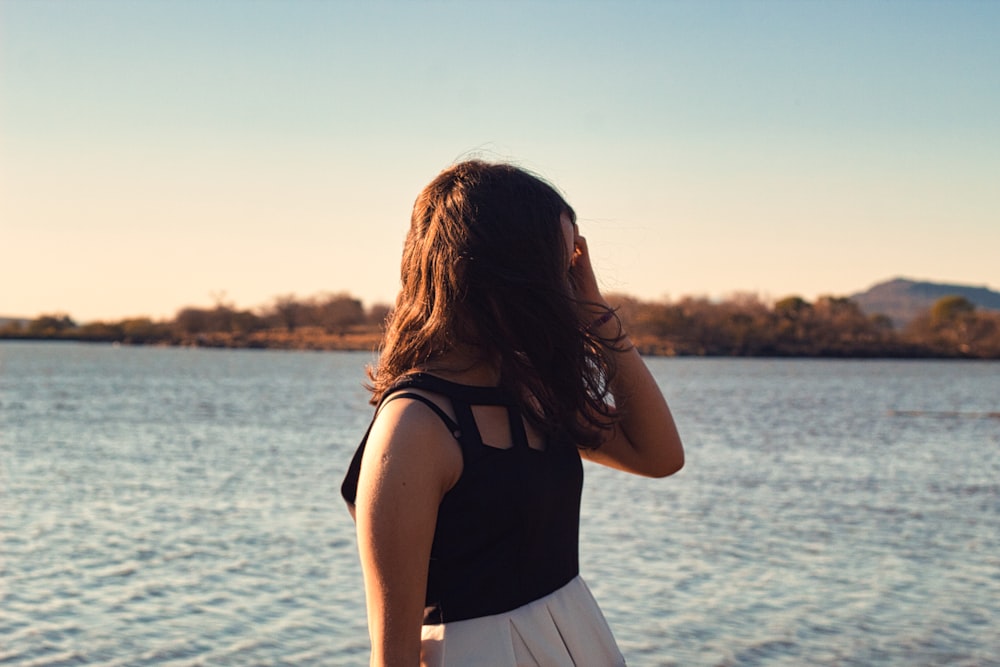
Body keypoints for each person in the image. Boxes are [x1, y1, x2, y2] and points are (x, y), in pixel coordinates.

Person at [341, 160, 684, 666]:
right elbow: (391, 654)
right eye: (559, 265)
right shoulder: (416, 425)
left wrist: (597, 315)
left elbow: (659, 456)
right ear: (507, 271)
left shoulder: (531, 389)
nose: (567, 281)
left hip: (577, 639)